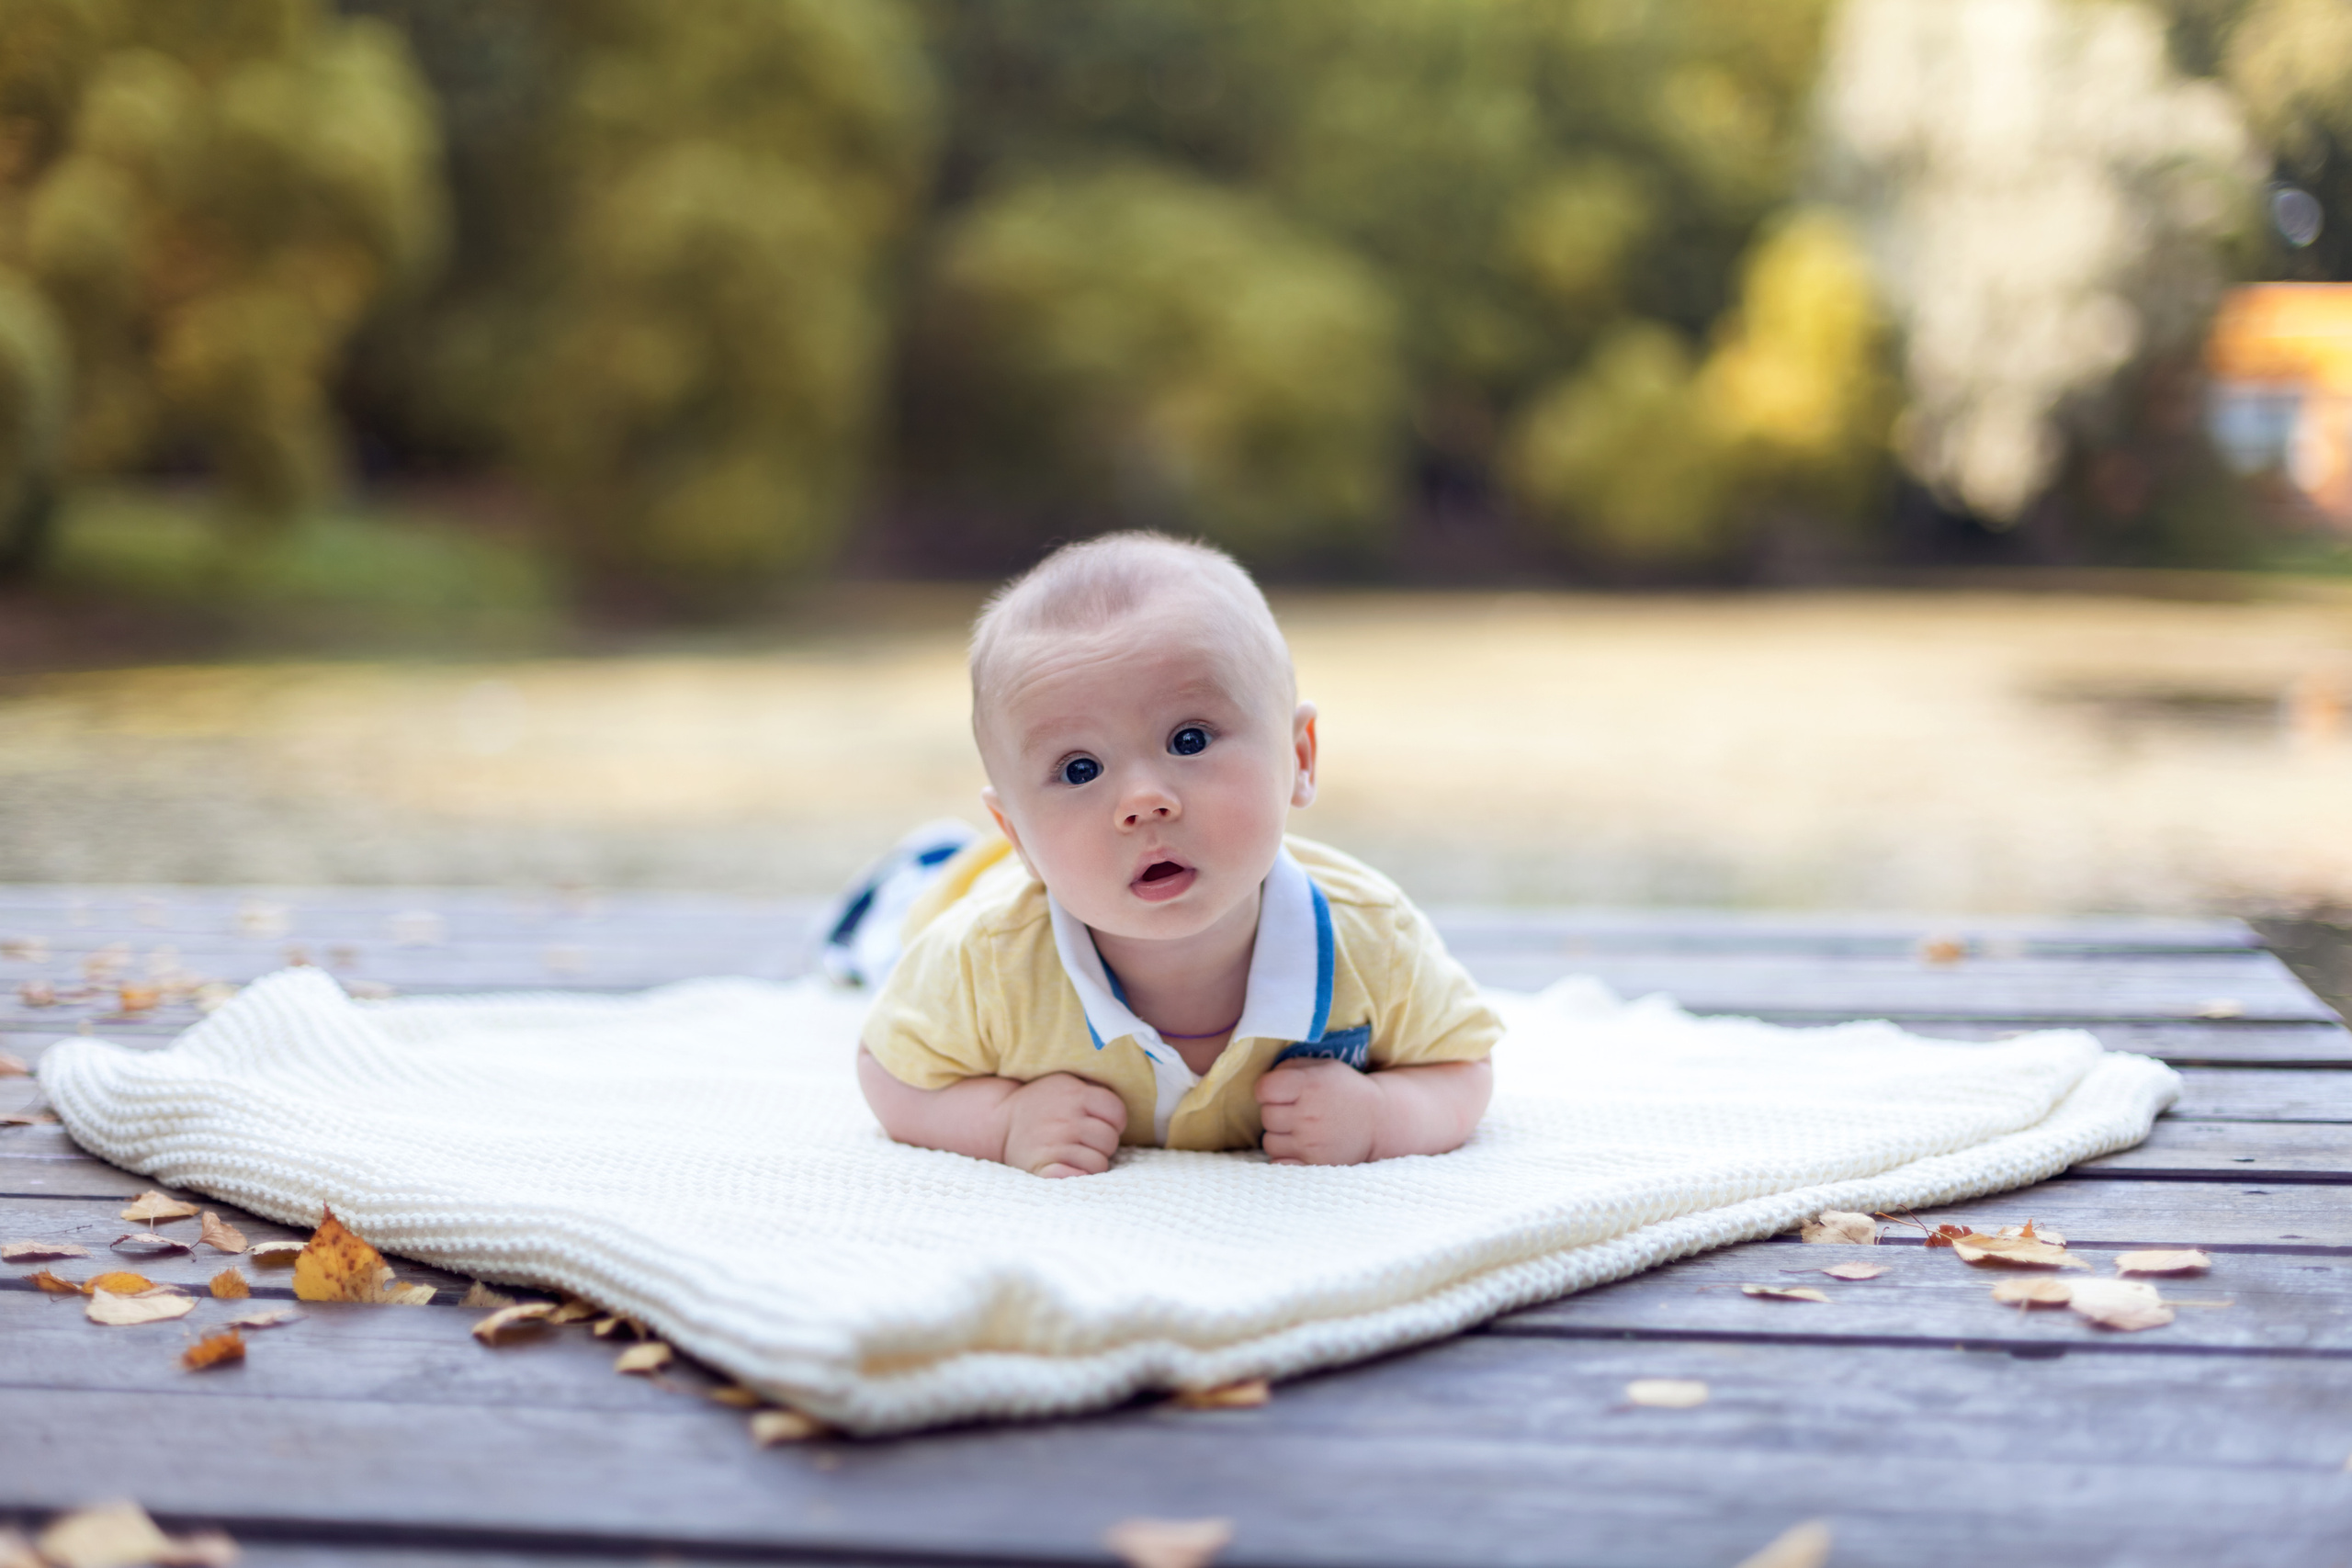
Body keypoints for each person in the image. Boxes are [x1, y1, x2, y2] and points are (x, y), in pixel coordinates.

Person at [851, 532, 1499, 1175]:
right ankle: (930, 861)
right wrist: (1002, 1122)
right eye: (1079, 770)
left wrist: (1382, 1114)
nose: (1142, 800)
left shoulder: (1371, 936)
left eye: (1188, 739)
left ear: (1298, 758)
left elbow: (1462, 1063)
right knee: (887, 936)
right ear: (1018, 832)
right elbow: (886, 1068)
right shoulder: (982, 960)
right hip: (956, 892)